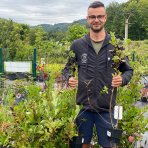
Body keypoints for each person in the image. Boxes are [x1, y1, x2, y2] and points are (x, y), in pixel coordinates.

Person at [62, 1, 133, 148]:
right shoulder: (78, 45)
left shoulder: (116, 45)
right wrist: (69, 78)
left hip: (107, 109)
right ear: (87, 19)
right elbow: (67, 69)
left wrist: (123, 79)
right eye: (92, 16)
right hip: (83, 108)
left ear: (105, 18)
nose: (96, 20)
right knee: (81, 145)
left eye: (100, 16)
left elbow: (128, 70)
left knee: (108, 145)